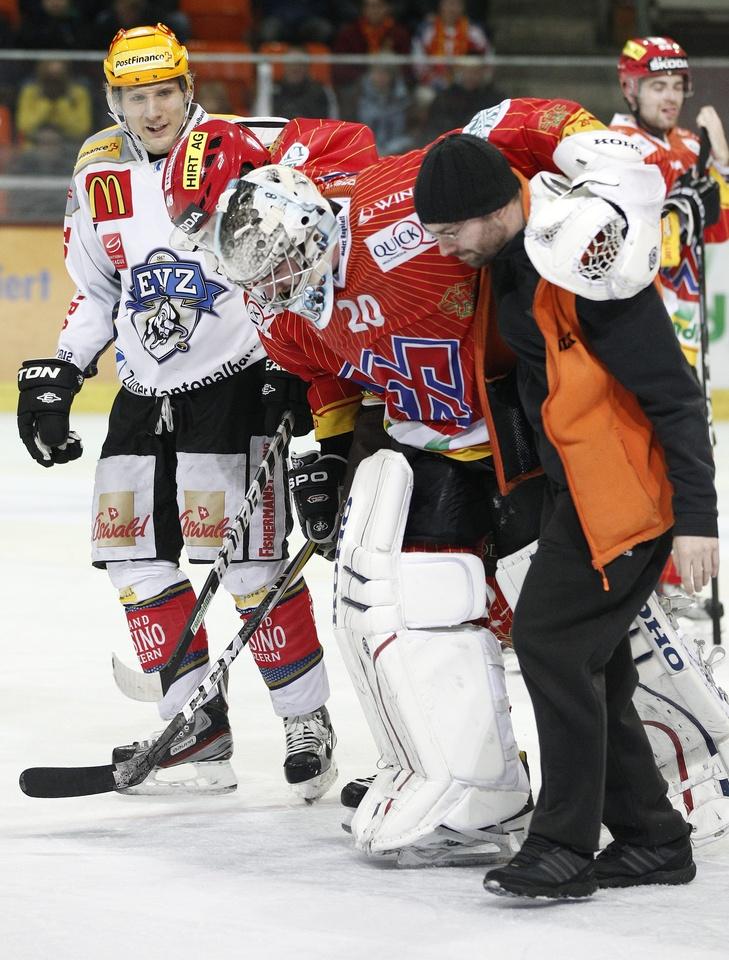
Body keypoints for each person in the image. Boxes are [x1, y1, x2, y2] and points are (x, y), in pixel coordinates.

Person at [162, 98, 626, 865]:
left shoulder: (390, 205)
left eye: (276, 262)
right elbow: (323, 372)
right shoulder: (271, 295)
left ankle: (683, 764)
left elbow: (496, 129)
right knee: (396, 603)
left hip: (526, 428)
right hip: (430, 442)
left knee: (569, 618)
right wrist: (337, 457)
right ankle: (469, 781)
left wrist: (591, 151)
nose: (269, 283)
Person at [15, 23, 338, 802]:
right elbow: (97, 290)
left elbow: (306, 244)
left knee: (253, 566)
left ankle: (305, 719)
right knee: (134, 562)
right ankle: (195, 725)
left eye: (164, 92)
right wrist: (60, 370)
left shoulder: (241, 147)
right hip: (141, 394)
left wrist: (295, 364)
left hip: (235, 383)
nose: (152, 109)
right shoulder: (99, 172)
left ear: (187, 89)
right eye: (135, 95)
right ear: (114, 98)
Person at [412, 131, 719, 898]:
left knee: (549, 644)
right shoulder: (506, 261)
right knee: (595, 669)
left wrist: (698, 520)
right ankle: (651, 838)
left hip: (626, 500)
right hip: (574, 494)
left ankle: (561, 845)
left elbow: (676, 397)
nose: (443, 247)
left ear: (492, 211)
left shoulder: (582, 257)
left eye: (451, 230)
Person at [610, 36, 729, 602]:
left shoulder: (688, 143)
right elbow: (638, 243)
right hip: (637, 320)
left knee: (686, 438)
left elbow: (721, 228)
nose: (671, 96)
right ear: (629, 87)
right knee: (647, 440)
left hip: (683, 317)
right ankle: (648, 572)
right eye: (658, 85)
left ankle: (676, 574)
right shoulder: (615, 148)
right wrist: (684, 211)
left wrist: (720, 161)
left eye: (677, 85)